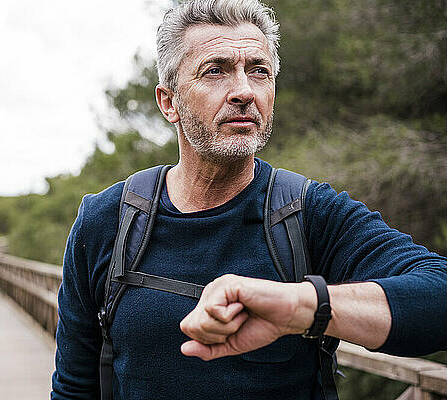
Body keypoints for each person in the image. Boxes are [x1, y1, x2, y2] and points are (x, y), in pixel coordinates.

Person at [51, 0, 447, 399]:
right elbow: (73, 388)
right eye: (216, 71)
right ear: (168, 102)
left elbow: (438, 295)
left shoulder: (308, 214)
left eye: (259, 71)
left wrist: (301, 306)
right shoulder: (106, 221)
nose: (243, 91)